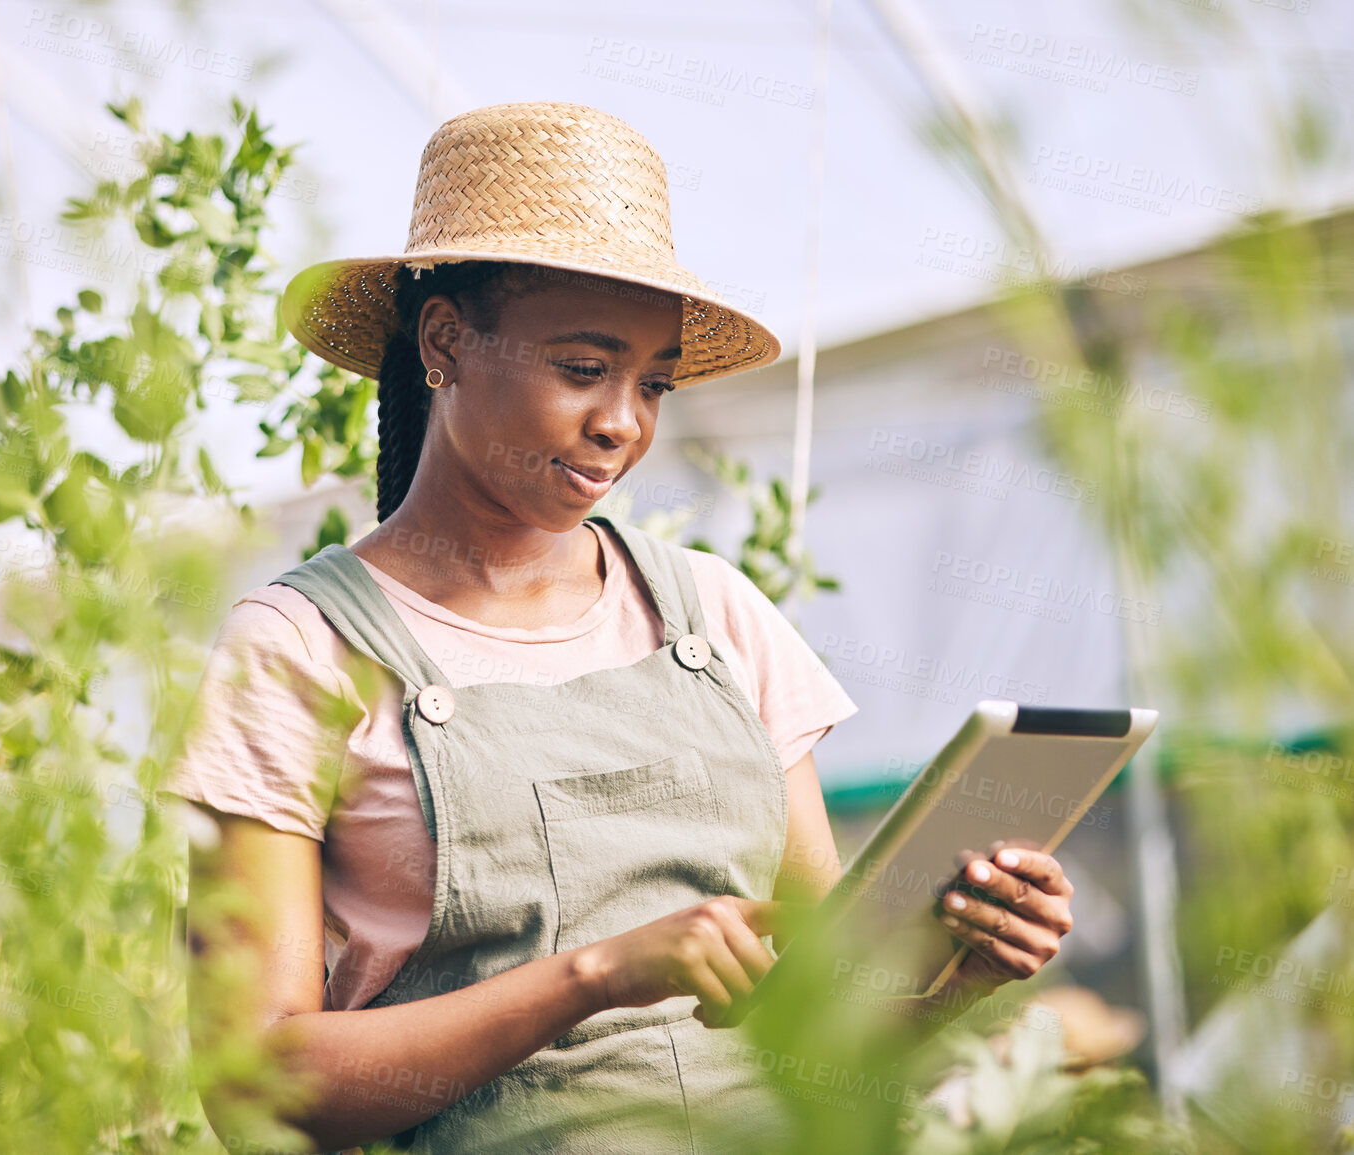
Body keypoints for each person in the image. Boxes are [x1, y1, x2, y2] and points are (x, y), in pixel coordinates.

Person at [166, 101, 1076, 1154]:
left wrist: (951, 982)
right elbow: (255, 1087)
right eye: (584, 369)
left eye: (653, 383)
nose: (623, 425)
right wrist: (598, 973)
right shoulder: (299, 652)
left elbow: (821, 1035)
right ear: (446, 343)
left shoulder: (715, 614)